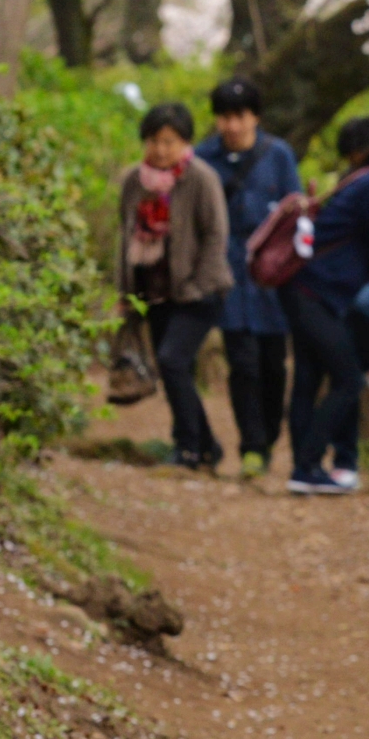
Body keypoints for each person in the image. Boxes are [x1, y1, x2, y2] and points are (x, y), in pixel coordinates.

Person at [282, 116, 369, 496]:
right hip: (318, 294)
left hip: (301, 286)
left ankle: (304, 468)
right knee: (348, 379)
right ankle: (307, 465)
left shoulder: (353, 182)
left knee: (307, 379)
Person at [196, 77, 304, 479]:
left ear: (255, 117)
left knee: (274, 364)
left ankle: (270, 434)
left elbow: (295, 211)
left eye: (239, 115)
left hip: (270, 277)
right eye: (224, 116)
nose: (232, 125)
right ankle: (251, 446)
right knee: (242, 363)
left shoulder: (278, 155)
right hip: (226, 274)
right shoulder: (204, 159)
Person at [117, 102, 233, 471]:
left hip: (199, 292)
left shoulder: (201, 178)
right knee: (173, 368)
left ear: (185, 143)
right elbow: (125, 236)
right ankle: (207, 446)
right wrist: (125, 293)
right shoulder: (133, 180)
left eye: (170, 141)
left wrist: (199, 285)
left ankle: (186, 448)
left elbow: (216, 235)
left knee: (172, 360)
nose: (162, 150)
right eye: (154, 141)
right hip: (155, 291)